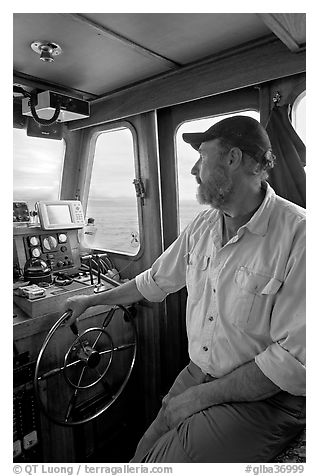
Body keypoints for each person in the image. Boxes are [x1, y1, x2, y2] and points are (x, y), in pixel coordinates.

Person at [62, 116, 305, 463]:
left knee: (161, 463)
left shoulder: (299, 235)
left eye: (202, 157)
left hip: (267, 397)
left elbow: (287, 363)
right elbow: (154, 281)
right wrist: (92, 299)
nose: (194, 169)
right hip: (199, 373)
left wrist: (199, 398)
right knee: (143, 451)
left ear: (233, 159)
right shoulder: (204, 225)